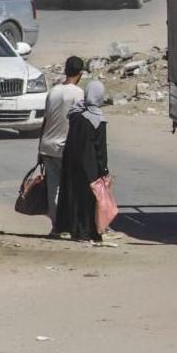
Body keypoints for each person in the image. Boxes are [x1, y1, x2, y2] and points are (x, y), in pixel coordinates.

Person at [55, 80, 110, 242]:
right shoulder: (98, 119)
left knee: (74, 197)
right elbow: (100, 149)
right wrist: (103, 169)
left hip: (72, 163)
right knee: (88, 200)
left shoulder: (76, 114)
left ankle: (74, 230)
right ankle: (87, 232)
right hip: (90, 166)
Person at [39, 56, 85, 232]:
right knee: (69, 188)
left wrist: (39, 147)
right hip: (64, 147)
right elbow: (78, 121)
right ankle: (68, 225)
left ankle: (55, 226)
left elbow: (46, 119)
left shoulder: (54, 91)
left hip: (47, 144)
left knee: (53, 188)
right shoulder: (78, 93)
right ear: (80, 74)